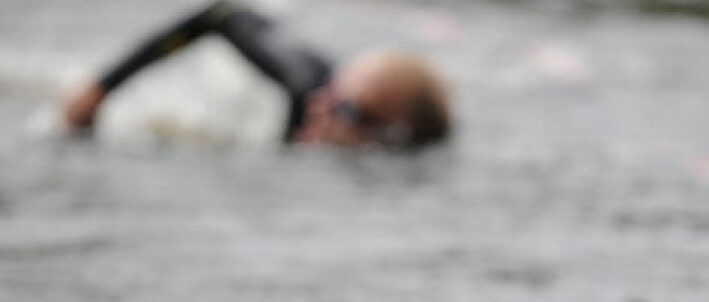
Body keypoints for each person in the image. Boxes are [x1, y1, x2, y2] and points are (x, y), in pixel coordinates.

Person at [62, 1, 452, 149]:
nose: (322, 106)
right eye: (332, 91)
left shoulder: (399, 156)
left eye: (348, 111)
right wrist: (100, 90)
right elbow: (221, 15)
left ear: (387, 136)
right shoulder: (304, 82)